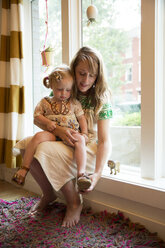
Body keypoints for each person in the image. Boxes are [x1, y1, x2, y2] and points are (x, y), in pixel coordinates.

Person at [13, 46, 113, 228]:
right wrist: (58, 130)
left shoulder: (100, 100)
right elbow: (45, 119)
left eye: (92, 76)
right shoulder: (65, 89)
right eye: (82, 73)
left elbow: (105, 141)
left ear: (98, 76)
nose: (86, 80)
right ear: (73, 70)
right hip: (60, 136)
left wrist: (97, 175)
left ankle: (74, 201)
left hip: (85, 143)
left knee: (45, 149)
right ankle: (48, 193)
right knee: (26, 145)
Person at [12, 65, 91, 191]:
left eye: (68, 90)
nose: (64, 94)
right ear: (51, 86)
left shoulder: (74, 103)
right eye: (60, 90)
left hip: (71, 133)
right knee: (37, 136)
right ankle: (24, 168)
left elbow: (81, 118)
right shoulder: (45, 102)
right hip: (52, 134)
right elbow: (37, 115)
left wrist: (85, 133)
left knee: (80, 140)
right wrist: (47, 121)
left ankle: (82, 174)